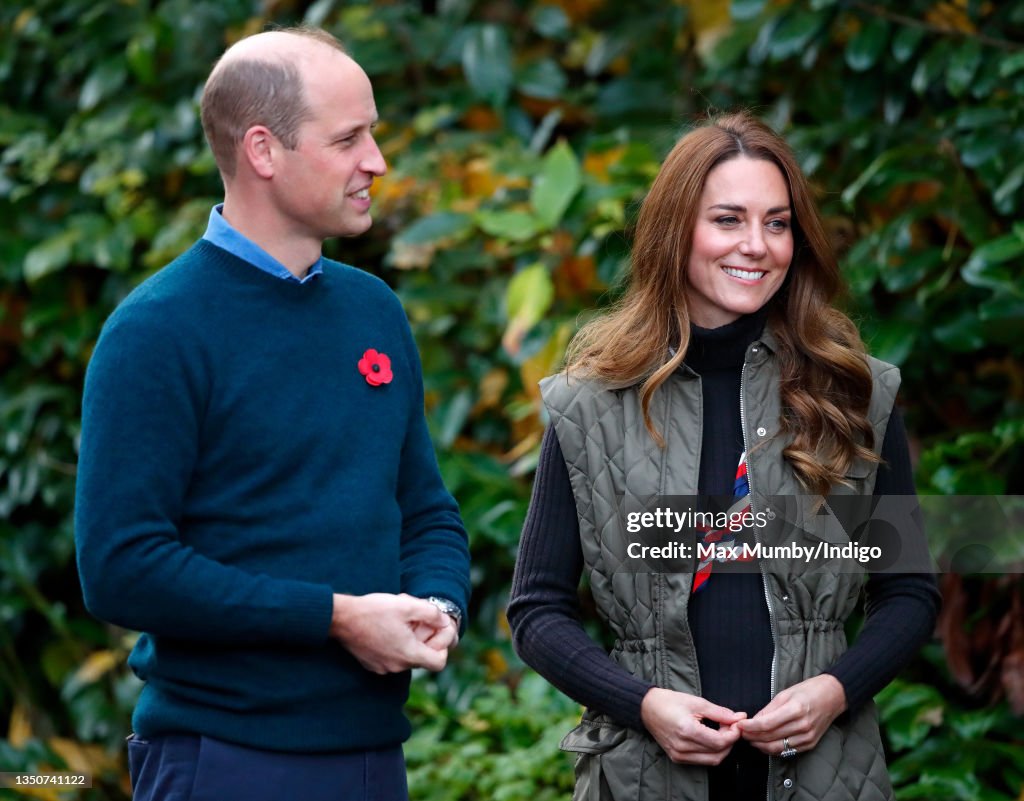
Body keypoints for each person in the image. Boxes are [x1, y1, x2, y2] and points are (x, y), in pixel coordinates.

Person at [74, 26, 470, 801]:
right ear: (263, 150)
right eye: (350, 138)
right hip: (223, 759)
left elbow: (425, 509)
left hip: (372, 758)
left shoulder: (373, 310)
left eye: (374, 135)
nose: (377, 163)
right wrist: (333, 616)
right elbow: (121, 567)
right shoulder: (155, 330)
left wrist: (435, 604)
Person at [508, 112, 940, 801]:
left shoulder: (855, 392)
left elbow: (910, 591)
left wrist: (835, 690)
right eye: (729, 219)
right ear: (677, 229)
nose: (757, 245)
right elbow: (537, 610)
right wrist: (642, 701)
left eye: (777, 222)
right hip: (646, 775)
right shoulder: (589, 402)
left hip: (824, 776)